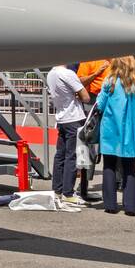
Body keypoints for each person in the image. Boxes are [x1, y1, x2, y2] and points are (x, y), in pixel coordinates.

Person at [96, 55, 135, 216]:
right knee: (129, 167)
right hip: (133, 130)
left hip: (111, 128)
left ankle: (110, 205)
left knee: (109, 165)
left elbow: (100, 105)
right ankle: (130, 206)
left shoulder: (110, 83)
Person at [47, 62, 90, 207]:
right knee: (72, 156)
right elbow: (86, 97)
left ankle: (57, 190)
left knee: (60, 155)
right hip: (73, 118)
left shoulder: (51, 73)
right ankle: (68, 193)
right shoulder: (68, 74)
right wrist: (76, 94)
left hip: (61, 117)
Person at [74, 58, 111, 201]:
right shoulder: (90, 60)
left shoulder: (117, 59)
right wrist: (97, 73)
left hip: (112, 101)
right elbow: (80, 82)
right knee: (90, 143)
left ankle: (117, 182)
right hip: (95, 101)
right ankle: (84, 184)